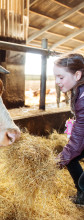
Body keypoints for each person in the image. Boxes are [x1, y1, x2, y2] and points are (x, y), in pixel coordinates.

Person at [54, 53, 84, 205]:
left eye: (60, 77)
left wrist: (60, 160)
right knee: (71, 159)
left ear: (77, 75)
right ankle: (82, 195)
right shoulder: (78, 90)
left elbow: (78, 140)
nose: (56, 82)